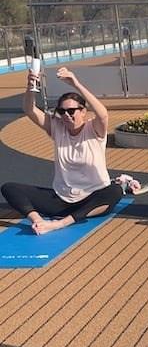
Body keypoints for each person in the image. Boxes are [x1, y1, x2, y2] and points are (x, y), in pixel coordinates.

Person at [1, 67, 125, 235]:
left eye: (71, 111)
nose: (66, 115)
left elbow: (103, 115)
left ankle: (60, 224)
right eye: (62, 111)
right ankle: (38, 221)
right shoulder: (57, 128)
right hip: (61, 201)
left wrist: (76, 84)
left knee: (115, 191)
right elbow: (30, 110)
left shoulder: (94, 129)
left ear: (83, 111)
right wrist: (30, 86)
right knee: (10, 188)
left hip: (92, 200)